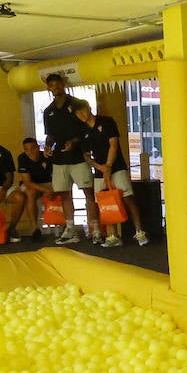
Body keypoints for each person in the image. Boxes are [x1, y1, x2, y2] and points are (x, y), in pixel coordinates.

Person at [73, 101, 147, 247]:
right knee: (104, 203)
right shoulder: (82, 131)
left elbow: (114, 144)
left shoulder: (106, 121)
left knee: (127, 198)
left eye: (83, 111)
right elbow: (87, 156)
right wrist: (100, 167)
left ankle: (139, 231)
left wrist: (108, 166)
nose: (81, 115)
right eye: (78, 113)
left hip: (117, 166)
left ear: (89, 109)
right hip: (99, 171)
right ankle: (112, 235)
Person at [42, 72, 98, 244]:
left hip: (79, 156)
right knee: (64, 194)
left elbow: (88, 128)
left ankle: (95, 229)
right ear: (49, 88)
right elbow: (50, 135)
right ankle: (70, 229)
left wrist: (74, 142)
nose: (55, 87)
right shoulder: (48, 111)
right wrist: (47, 146)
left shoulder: (79, 103)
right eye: (52, 85)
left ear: (63, 84)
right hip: (59, 158)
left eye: (58, 84)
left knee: (89, 193)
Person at [17, 137, 54, 240]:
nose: (30, 152)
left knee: (61, 191)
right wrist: (45, 190)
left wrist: (51, 189)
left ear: (38, 147)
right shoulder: (22, 158)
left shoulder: (46, 156)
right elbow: (27, 182)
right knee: (31, 192)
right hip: (30, 185)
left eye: (33, 148)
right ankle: (35, 228)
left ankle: (65, 224)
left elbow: (55, 175)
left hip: (47, 182)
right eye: (27, 149)